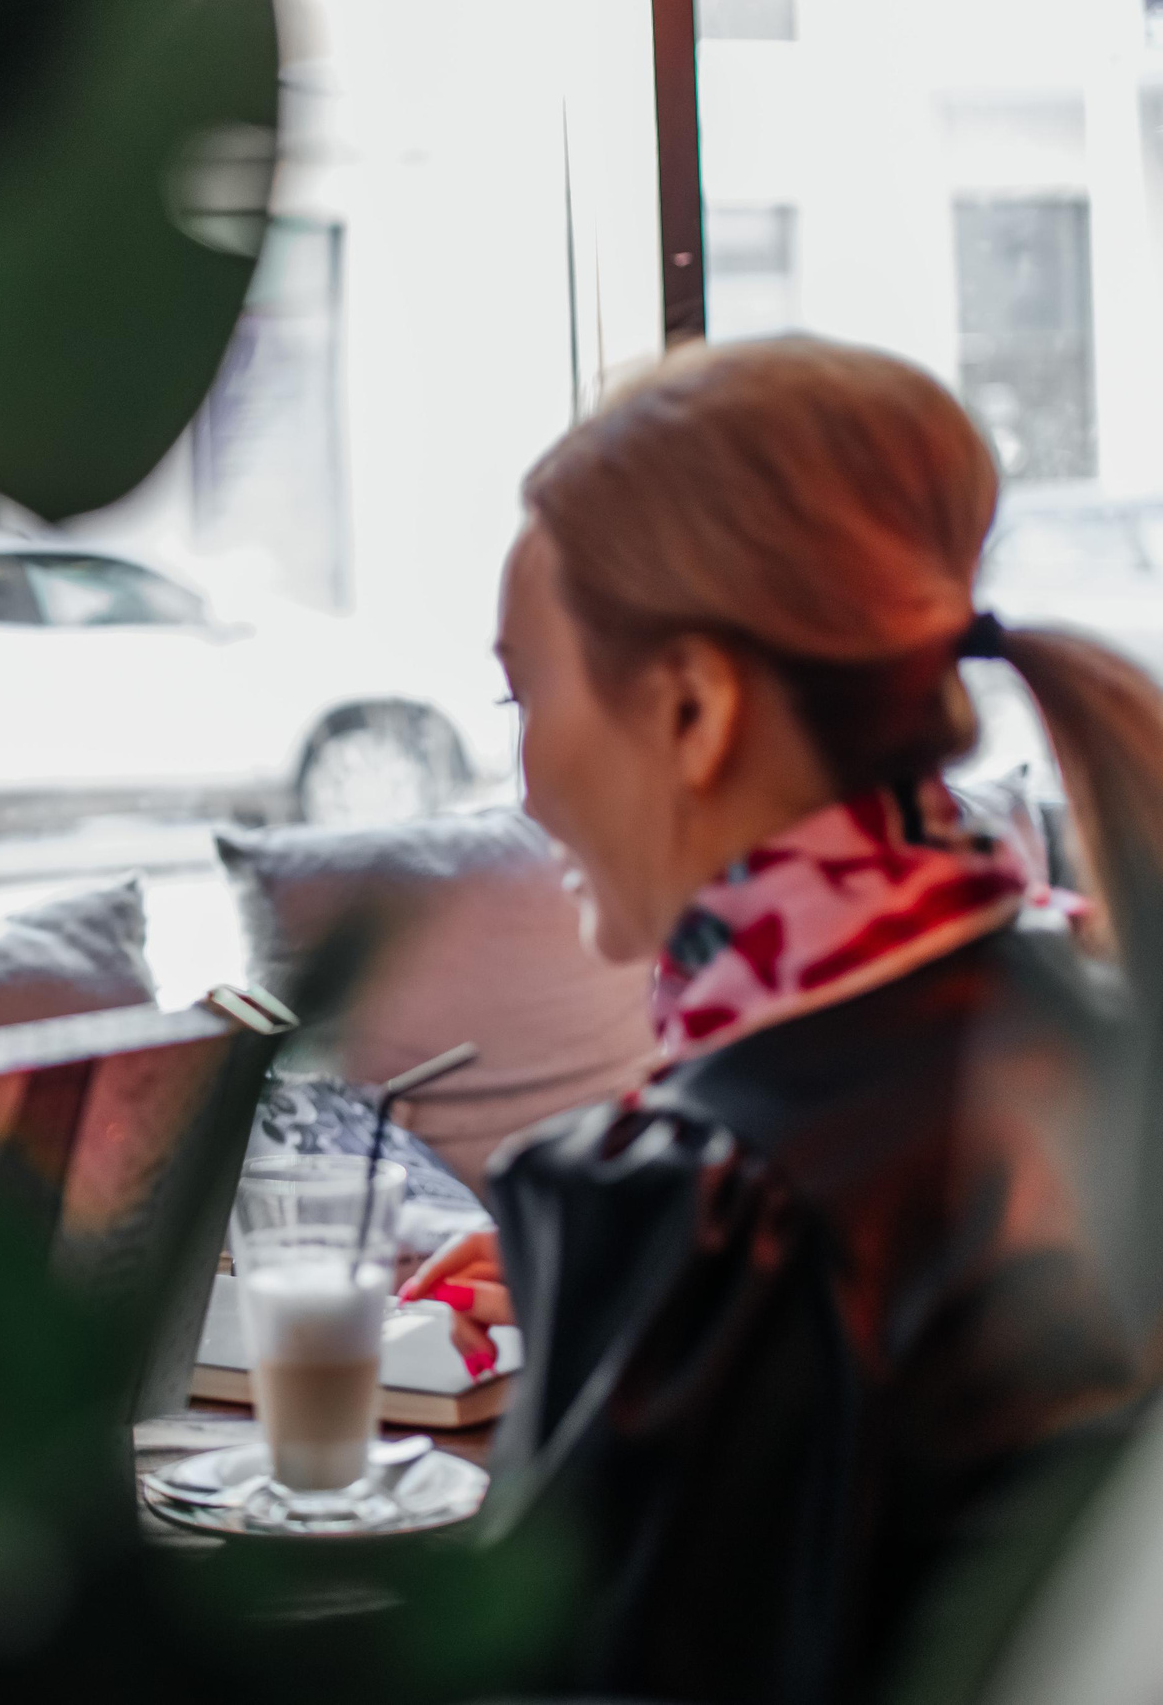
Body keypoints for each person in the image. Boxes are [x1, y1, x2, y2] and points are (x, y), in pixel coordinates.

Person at [402, 337, 1153, 1703]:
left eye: (525, 696)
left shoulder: (722, 1207)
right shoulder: (1105, 1038)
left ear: (693, 709)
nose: (521, 784)